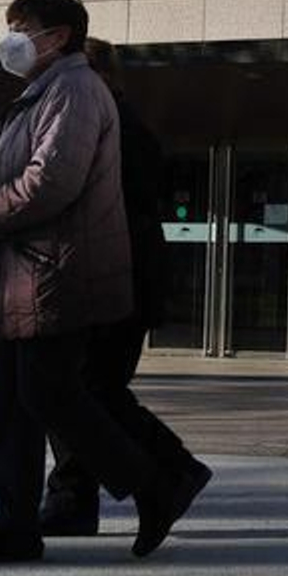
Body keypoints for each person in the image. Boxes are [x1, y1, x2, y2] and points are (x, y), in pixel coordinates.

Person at [0, 0, 208, 566]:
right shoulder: (44, 92)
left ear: (58, 35)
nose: (11, 39)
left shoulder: (75, 89)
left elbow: (52, 181)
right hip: (27, 272)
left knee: (52, 393)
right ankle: (17, 524)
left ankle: (156, 483)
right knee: (12, 403)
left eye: (21, 28)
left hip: (56, 270)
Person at [38, 37, 210, 536]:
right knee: (83, 388)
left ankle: (171, 470)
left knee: (84, 388)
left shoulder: (110, 127)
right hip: (110, 280)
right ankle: (74, 499)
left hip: (109, 282)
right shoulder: (114, 123)